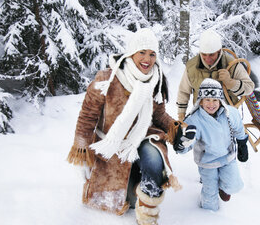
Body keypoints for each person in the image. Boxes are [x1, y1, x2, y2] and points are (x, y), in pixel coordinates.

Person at [67, 28, 195, 225]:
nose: (147, 59)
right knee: (122, 200)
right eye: (142, 52)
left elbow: (158, 114)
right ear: (131, 53)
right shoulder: (106, 79)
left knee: (154, 161)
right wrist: (83, 153)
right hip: (112, 146)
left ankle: (148, 217)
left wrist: (177, 129)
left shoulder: (156, 80)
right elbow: (87, 117)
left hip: (143, 136)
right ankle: (133, 184)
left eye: (152, 54)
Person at [174, 78, 249, 211]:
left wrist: (242, 143)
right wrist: (181, 144)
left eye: (215, 100)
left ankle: (223, 186)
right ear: (200, 101)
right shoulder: (194, 120)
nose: (211, 104)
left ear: (220, 100)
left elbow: (238, 128)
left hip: (228, 157)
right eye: (207, 99)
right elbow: (188, 141)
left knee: (234, 185)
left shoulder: (230, 113)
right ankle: (208, 212)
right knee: (210, 194)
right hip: (207, 162)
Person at [176, 29, 255, 121]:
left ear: (219, 51)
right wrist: (181, 115)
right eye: (204, 54)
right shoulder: (192, 66)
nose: (207, 59)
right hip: (201, 116)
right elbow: (184, 91)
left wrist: (231, 83)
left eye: (211, 55)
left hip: (227, 116)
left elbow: (249, 87)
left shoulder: (232, 65)